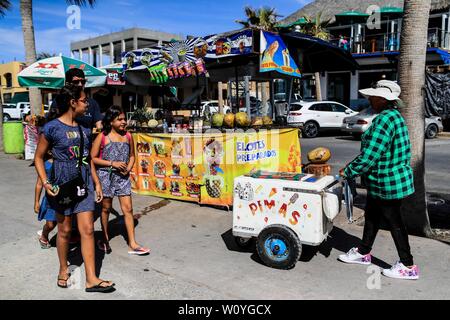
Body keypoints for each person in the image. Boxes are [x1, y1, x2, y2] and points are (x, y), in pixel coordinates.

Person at [34, 84, 115, 292]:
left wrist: (96, 183)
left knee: (87, 229)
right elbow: (39, 158)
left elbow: (87, 159)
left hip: (84, 182)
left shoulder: (84, 129)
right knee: (65, 230)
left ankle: (91, 278)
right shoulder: (51, 128)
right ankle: (63, 269)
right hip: (62, 184)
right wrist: (45, 182)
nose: (87, 103)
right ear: (72, 102)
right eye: (83, 100)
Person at [338, 80, 419, 280]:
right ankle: (364, 252)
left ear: (383, 99)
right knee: (372, 216)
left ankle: (408, 265)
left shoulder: (385, 120)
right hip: (384, 180)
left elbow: (370, 155)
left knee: (395, 222)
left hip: (387, 181)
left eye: (373, 96)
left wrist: (348, 170)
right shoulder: (394, 116)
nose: (369, 98)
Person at [91, 105, 150, 255]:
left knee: (128, 209)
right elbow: (92, 158)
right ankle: (104, 239)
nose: (124, 122)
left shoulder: (128, 136)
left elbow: (132, 156)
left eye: (124, 119)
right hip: (106, 176)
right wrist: (112, 163)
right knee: (105, 208)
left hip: (123, 177)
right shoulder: (102, 137)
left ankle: (132, 243)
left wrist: (129, 168)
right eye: (120, 119)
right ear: (111, 121)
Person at [34, 151, 57, 249]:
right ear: (49, 151)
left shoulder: (64, 163)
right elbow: (39, 184)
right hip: (50, 200)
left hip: (64, 198)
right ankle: (44, 234)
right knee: (51, 224)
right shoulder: (44, 165)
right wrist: (36, 201)